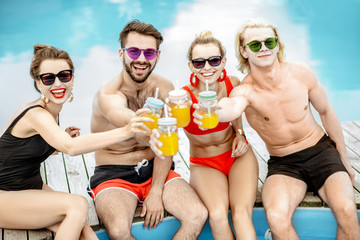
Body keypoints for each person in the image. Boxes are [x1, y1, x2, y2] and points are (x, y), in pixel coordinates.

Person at [202, 18, 360, 239]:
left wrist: (343, 157)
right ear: (244, 51)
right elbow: (231, 108)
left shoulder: (301, 73)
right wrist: (214, 111)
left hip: (321, 152)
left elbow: (326, 112)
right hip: (285, 163)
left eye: (269, 41)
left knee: (347, 210)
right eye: (255, 45)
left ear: (277, 44)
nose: (264, 48)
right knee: (276, 218)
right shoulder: (245, 91)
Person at [0, 45, 154, 240]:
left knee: (85, 232)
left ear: (73, 78)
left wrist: (57, 141)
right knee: (77, 205)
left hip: (28, 186)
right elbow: (71, 148)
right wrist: (127, 130)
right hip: (4, 194)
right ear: (39, 84)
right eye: (48, 78)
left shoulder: (51, 112)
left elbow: (21, 149)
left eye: (64, 75)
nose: (57, 83)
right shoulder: (35, 114)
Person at [89, 19, 207, 240]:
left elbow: (168, 140)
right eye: (133, 51)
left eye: (149, 53)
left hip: (155, 169)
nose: (141, 59)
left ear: (158, 56)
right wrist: (141, 122)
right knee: (119, 231)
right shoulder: (108, 95)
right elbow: (127, 120)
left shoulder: (164, 87)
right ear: (121, 53)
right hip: (115, 173)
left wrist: (156, 190)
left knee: (197, 215)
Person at [150, 31, 259, 240]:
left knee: (241, 214)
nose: (207, 68)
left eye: (214, 60)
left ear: (224, 62)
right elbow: (165, 140)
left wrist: (240, 134)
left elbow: (236, 112)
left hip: (237, 156)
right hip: (205, 163)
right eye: (199, 63)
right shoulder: (180, 99)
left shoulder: (232, 84)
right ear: (191, 66)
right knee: (217, 216)